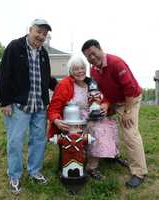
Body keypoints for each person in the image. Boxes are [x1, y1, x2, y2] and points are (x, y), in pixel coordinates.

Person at [0, 19, 58, 195]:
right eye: (38, 32)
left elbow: (46, 79)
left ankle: (35, 172)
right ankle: (14, 175)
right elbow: (4, 74)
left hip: (39, 105)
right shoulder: (14, 47)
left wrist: (64, 87)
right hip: (18, 105)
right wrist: (4, 101)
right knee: (15, 141)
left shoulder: (43, 53)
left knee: (38, 140)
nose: (41, 36)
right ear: (30, 30)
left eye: (44, 35)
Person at [81, 39, 148, 188]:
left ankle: (139, 172)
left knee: (130, 132)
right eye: (88, 56)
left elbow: (129, 88)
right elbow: (101, 92)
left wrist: (128, 112)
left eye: (93, 53)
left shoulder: (116, 63)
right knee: (99, 123)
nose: (92, 58)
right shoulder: (93, 70)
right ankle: (112, 154)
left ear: (100, 49)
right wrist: (105, 104)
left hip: (130, 99)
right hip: (113, 100)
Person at [47, 55, 120, 180]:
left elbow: (103, 99)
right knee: (96, 130)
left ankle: (96, 162)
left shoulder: (91, 83)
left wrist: (105, 105)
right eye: (76, 69)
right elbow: (54, 107)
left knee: (107, 125)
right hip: (73, 119)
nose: (80, 71)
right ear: (70, 71)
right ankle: (88, 164)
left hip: (91, 116)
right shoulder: (65, 84)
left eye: (82, 68)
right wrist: (56, 120)